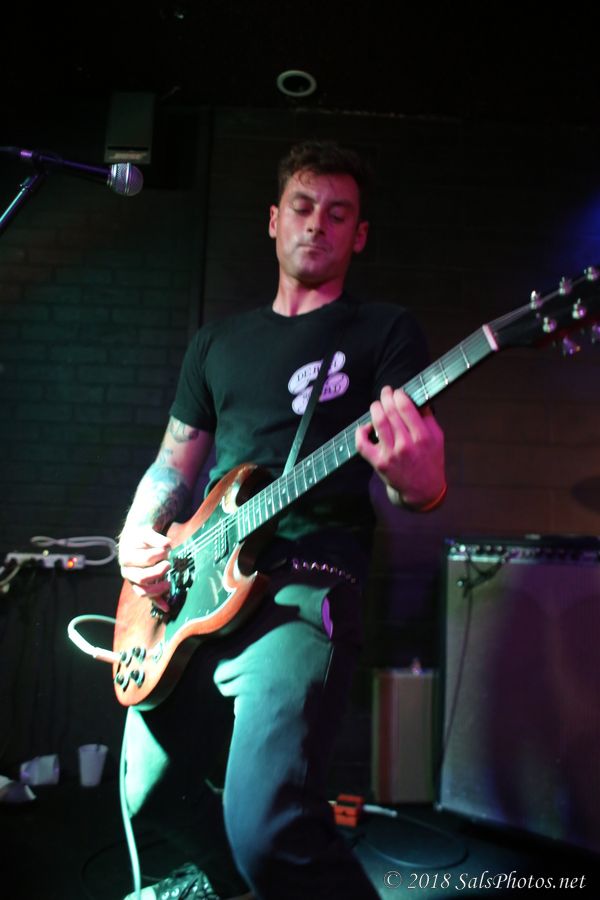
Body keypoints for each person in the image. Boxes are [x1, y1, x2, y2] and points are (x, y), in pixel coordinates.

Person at [118, 139, 446, 900]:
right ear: (274, 219)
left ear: (359, 235)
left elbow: (421, 482)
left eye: (338, 214)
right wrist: (139, 534)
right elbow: (173, 465)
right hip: (197, 584)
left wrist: (421, 482)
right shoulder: (217, 343)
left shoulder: (384, 332)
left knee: (268, 828)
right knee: (149, 795)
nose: (317, 224)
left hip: (304, 583)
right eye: (303, 207)